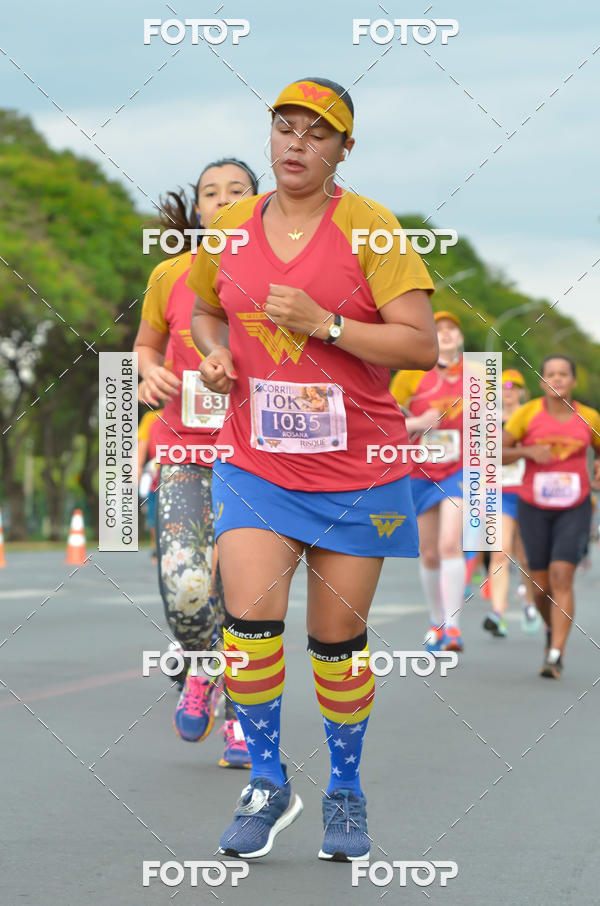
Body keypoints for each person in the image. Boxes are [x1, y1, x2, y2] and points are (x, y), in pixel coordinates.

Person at [187, 77, 437, 861]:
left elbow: (421, 344)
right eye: (285, 127)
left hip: (359, 471)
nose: (297, 143)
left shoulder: (373, 229)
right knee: (250, 622)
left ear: (343, 149)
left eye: (317, 132)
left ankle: (345, 788)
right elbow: (204, 310)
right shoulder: (230, 229)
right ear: (271, 137)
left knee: (336, 640)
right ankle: (267, 782)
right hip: (255, 462)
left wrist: (327, 324)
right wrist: (216, 354)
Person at [133, 158, 259, 766]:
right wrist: (148, 372)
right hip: (184, 451)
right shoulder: (170, 274)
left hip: (257, 458)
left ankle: (238, 717)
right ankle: (201, 664)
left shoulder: (280, 275)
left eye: (238, 190)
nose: (223, 200)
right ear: (200, 209)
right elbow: (145, 345)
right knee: (186, 588)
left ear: (258, 203)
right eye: (212, 193)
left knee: (244, 597)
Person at [503, 355, 600, 678]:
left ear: (573, 381)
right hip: (533, 505)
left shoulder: (589, 417)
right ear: (542, 382)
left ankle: (556, 653)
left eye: (563, 374)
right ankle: (551, 630)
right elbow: (497, 452)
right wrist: (526, 451)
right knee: (541, 587)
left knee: (562, 575)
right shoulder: (527, 414)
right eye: (551, 374)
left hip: (575, 506)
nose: (557, 378)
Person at [391, 311, 466, 653]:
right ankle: (436, 621)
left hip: (459, 471)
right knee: (430, 552)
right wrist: (419, 421)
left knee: (450, 544)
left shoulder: (478, 375)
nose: (446, 333)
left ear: (460, 338)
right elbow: (388, 424)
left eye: (452, 329)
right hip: (420, 470)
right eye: (439, 329)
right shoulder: (409, 374)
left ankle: (453, 628)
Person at [482, 369, 539, 637]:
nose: (508, 391)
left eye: (514, 387)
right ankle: (497, 614)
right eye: (503, 387)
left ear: (522, 391)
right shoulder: (488, 421)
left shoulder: (530, 418)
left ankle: (530, 604)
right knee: (499, 553)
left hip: (527, 492)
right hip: (499, 493)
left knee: (526, 556)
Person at [137, 407, 162, 562]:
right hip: (155, 473)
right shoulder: (151, 417)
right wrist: (138, 467)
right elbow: (142, 443)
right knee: (153, 511)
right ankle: (157, 548)